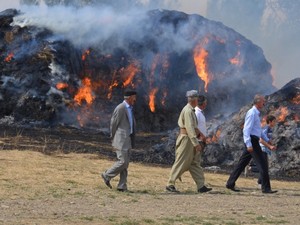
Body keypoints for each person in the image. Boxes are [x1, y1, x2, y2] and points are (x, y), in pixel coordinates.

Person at [226, 95, 277, 194]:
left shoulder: (256, 114)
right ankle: (266, 188)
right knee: (263, 164)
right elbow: (246, 129)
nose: (264, 103)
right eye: (263, 101)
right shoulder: (252, 113)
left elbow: (258, 130)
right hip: (252, 142)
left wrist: (267, 140)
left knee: (242, 164)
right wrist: (249, 144)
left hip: (254, 140)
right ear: (258, 102)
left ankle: (230, 183)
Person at [166, 90, 212, 193]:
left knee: (194, 163)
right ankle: (170, 183)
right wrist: (196, 143)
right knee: (181, 161)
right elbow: (190, 128)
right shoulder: (188, 111)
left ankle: (201, 186)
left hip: (189, 139)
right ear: (194, 99)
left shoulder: (191, 110)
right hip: (186, 140)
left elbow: (194, 127)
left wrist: (200, 136)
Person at [101, 90, 137, 192]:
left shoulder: (130, 108)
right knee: (122, 161)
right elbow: (113, 123)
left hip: (128, 139)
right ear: (130, 97)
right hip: (121, 139)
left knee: (126, 164)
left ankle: (122, 186)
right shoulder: (120, 108)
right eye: (134, 97)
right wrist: (112, 137)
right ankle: (106, 175)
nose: (135, 99)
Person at [257, 115, 277, 186]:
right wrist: (269, 146)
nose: (275, 123)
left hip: (265, 149)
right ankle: (260, 183)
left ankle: (260, 181)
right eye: (274, 121)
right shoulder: (266, 128)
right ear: (270, 122)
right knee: (264, 167)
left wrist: (270, 143)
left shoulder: (270, 129)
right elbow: (261, 139)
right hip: (262, 148)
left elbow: (267, 139)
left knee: (264, 166)